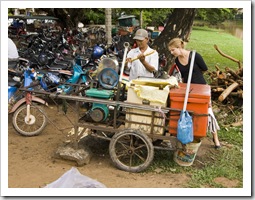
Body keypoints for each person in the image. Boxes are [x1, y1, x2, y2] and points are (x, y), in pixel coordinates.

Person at [168, 38, 221, 149]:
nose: (172, 53)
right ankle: (188, 134)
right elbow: (182, 75)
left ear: (179, 47)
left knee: (208, 111)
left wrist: (195, 77)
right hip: (187, 88)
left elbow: (204, 69)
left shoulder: (195, 56)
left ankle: (215, 138)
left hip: (201, 87)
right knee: (186, 111)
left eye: (173, 50)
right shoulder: (177, 60)